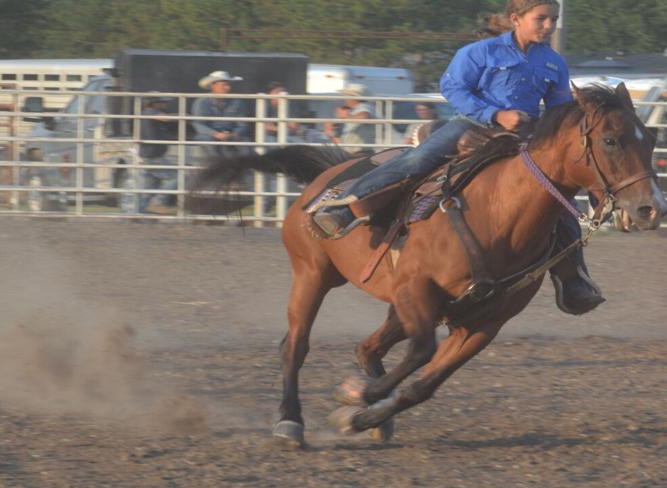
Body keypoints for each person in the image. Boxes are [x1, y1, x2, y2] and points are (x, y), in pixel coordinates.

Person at [310, 2, 603, 313]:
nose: (548, 26)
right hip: (472, 125)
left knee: (559, 199)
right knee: (417, 162)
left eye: (553, 20)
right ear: (516, 19)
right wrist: (497, 113)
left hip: (526, 135)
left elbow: (558, 111)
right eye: (541, 19)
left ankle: (573, 280)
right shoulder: (481, 52)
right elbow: (453, 87)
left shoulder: (554, 63)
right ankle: (346, 205)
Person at [135, 96, 181, 214]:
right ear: (155, 104)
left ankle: (139, 214)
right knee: (175, 178)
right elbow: (164, 118)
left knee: (149, 187)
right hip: (153, 156)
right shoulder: (151, 112)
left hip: (148, 155)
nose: (165, 105)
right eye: (162, 102)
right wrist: (183, 116)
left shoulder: (145, 113)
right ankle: (158, 202)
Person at [191, 70, 251, 158]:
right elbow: (198, 125)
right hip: (209, 135)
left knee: (245, 142)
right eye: (224, 84)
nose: (228, 88)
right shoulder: (201, 102)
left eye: (228, 84)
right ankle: (219, 166)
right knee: (208, 141)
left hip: (231, 134)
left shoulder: (237, 102)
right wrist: (215, 134)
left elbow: (243, 125)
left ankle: (245, 168)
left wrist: (233, 134)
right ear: (213, 85)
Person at [328, 85, 376, 149]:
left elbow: (363, 116)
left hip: (361, 152)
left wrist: (343, 119)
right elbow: (341, 142)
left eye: (347, 96)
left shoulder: (363, 106)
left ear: (354, 98)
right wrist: (331, 133)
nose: (345, 99)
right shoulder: (355, 110)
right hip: (354, 151)